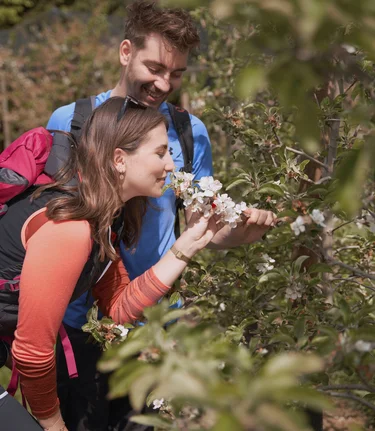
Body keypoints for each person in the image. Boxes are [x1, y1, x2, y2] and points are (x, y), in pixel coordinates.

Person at [46, 2, 276, 430]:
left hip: (158, 324)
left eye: (176, 74)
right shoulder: (72, 122)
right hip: (78, 326)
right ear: (125, 51)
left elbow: (197, 227)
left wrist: (234, 235)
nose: (163, 83)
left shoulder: (190, 133)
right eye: (154, 67)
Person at [0, 96, 229, 430]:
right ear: (120, 159)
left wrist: (185, 247)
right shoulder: (71, 229)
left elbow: (119, 306)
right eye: (161, 153)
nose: (171, 166)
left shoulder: (102, 217)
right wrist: (53, 424)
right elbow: (33, 353)